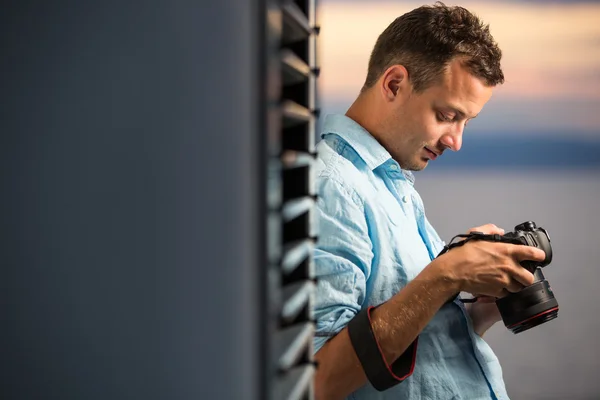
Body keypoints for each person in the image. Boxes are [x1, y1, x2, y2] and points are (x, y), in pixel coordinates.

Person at [311, 2, 546, 400]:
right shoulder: (331, 186)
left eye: (466, 122)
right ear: (394, 84)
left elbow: (415, 344)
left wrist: (477, 308)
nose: (456, 141)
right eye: (447, 115)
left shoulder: (389, 185)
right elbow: (318, 380)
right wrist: (446, 275)